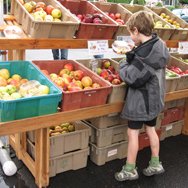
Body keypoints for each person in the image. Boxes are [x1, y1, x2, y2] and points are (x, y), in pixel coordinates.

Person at [115, 11, 170, 181]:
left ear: (136, 30)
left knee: (133, 133)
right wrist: (134, 53)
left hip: (141, 102)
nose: (131, 37)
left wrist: (123, 64)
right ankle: (155, 163)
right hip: (154, 99)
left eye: (131, 33)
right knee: (151, 129)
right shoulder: (158, 45)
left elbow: (132, 77)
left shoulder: (144, 57)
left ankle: (130, 169)